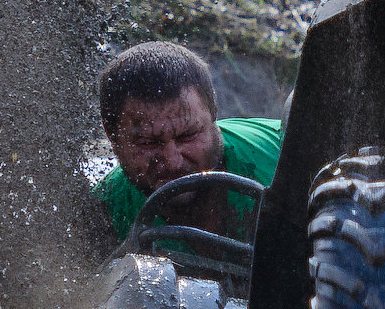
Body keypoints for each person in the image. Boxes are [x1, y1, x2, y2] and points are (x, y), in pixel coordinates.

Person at [92, 41, 283, 250]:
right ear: (112, 136)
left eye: (188, 136)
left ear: (213, 115)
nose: (173, 162)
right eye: (148, 142)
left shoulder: (283, 155)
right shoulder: (102, 213)